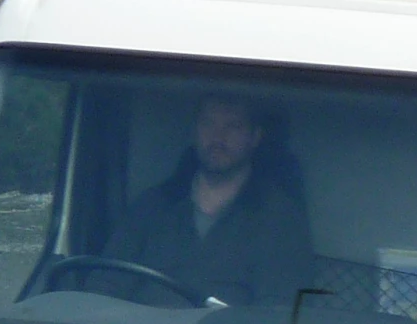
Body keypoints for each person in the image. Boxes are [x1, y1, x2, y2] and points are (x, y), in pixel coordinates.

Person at [99, 95, 313, 306]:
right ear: (195, 131)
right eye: (208, 123)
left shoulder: (281, 219)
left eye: (233, 126)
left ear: (254, 137)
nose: (218, 137)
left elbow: (277, 312)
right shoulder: (152, 205)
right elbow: (105, 286)